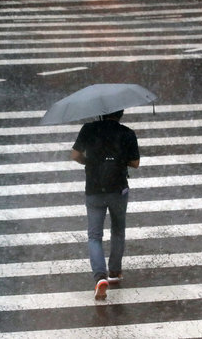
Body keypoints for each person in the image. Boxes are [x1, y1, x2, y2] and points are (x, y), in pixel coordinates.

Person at [71, 110, 140, 300]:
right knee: (118, 230)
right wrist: (118, 160)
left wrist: (90, 162)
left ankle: (100, 277)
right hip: (118, 188)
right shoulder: (127, 133)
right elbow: (135, 163)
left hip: (94, 188)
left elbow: (75, 154)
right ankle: (115, 271)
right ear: (121, 113)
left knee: (94, 236)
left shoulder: (89, 129)